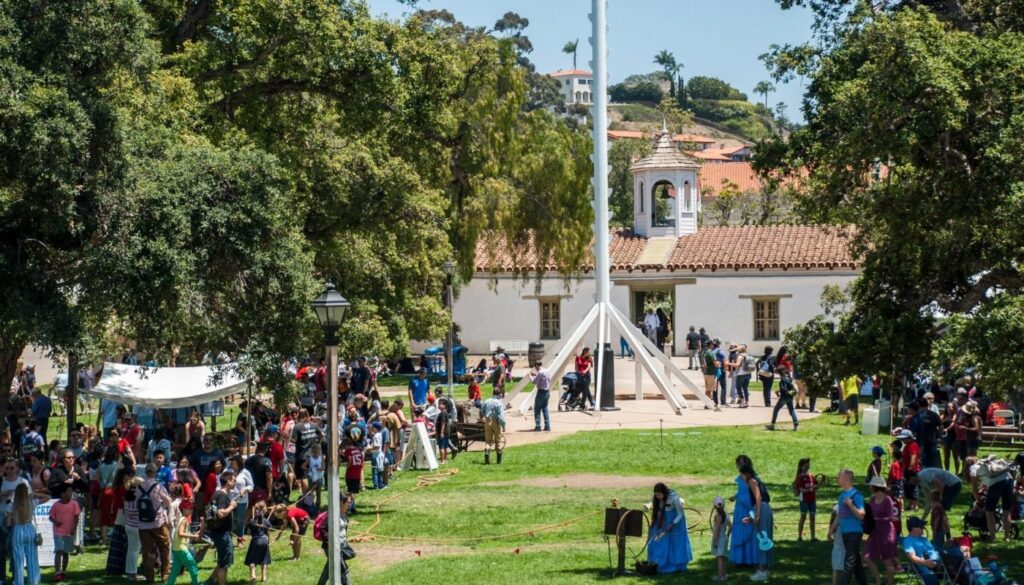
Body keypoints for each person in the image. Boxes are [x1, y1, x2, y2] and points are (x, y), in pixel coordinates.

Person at [645, 483, 692, 573]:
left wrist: (671, 525)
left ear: (664, 492)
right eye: (656, 495)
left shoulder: (674, 498)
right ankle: (656, 562)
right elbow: (653, 503)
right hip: (661, 519)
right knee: (657, 540)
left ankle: (674, 564)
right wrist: (649, 505)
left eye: (659, 495)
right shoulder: (656, 496)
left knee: (673, 543)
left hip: (674, 521)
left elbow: (680, 514)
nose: (658, 497)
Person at [967, 455, 1015, 542]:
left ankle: (993, 537)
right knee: (1006, 510)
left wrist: (978, 500)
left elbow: (974, 488)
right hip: (1009, 480)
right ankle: (1007, 537)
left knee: (989, 511)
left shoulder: (973, 468)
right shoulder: (987, 462)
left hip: (996, 484)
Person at [138, 462, 173, 583]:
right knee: (164, 548)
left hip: (142, 524)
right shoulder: (158, 486)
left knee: (147, 551)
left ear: (145, 472)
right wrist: (168, 516)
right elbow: (168, 502)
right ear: (154, 473)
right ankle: (165, 574)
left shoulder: (139, 486)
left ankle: (149, 576)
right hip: (158, 522)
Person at [864, 476, 898, 585]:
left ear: (876, 487)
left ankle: (890, 582)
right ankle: (878, 580)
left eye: (871, 485)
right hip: (875, 531)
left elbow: (891, 517)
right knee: (867, 557)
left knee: (887, 559)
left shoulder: (887, 499)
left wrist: (877, 519)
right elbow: (869, 514)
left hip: (887, 531)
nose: (870, 487)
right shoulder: (872, 499)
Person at [835, 469, 867, 585]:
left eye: (839, 476)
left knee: (849, 562)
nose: (837, 478)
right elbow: (839, 514)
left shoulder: (856, 495)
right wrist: (832, 529)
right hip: (845, 532)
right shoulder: (842, 495)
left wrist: (850, 505)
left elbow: (862, 515)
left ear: (846, 479)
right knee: (856, 563)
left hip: (854, 532)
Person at [207, 470, 237, 585]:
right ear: (228, 481)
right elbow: (220, 513)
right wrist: (231, 507)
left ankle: (210, 581)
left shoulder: (216, 494)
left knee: (222, 560)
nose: (235, 482)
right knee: (224, 563)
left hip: (217, 531)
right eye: (234, 480)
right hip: (222, 533)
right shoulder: (223, 496)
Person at [314, 495, 352, 585]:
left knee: (329, 568)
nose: (350, 504)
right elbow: (322, 528)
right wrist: (330, 543)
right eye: (348, 502)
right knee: (343, 568)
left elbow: (343, 530)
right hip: (331, 546)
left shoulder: (345, 514)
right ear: (342, 503)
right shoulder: (333, 515)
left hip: (341, 545)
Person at [8, 484, 38, 585]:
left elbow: (8, 524)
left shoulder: (11, 505)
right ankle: (33, 581)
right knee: (32, 559)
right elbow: (48, 497)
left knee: (18, 561)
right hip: (29, 529)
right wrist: (35, 494)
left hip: (17, 530)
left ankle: (19, 582)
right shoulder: (31, 503)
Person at [49, 483, 80, 582]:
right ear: (62, 494)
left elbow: (77, 517)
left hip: (69, 532)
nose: (71, 493)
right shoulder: (56, 505)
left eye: (71, 491)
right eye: (69, 491)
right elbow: (50, 517)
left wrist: (74, 528)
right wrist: (55, 521)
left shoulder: (74, 504)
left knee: (66, 552)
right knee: (59, 551)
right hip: (58, 532)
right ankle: (57, 572)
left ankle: (63, 571)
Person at [167, 499, 200, 585]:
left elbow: (182, 533)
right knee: (193, 566)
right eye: (190, 508)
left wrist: (192, 534)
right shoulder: (184, 520)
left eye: (192, 508)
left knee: (175, 571)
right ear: (184, 509)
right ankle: (196, 583)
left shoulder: (180, 518)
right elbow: (181, 533)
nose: (192, 510)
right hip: (181, 549)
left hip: (175, 548)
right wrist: (194, 536)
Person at [902, 516, 942, 585]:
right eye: (921, 527)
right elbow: (912, 557)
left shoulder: (924, 539)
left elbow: (933, 550)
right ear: (914, 528)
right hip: (927, 567)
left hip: (940, 562)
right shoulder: (908, 541)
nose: (923, 528)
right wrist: (924, 562)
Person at [229, 455, 253, 547]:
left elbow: (251, 486)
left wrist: (245, 489)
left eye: (233, 461)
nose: (231, 463)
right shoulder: (228, 471)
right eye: (231, 461)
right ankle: (229, 540)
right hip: (229, 499)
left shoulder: (245, 472)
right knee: (230, 520)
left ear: (238, 462)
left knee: (239, 520)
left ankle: (240, 539)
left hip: (241, 500)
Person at [765, 365, 799, 431]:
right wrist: (778, 391)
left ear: (780, 372)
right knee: (791, 410)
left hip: (784, 397)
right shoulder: (789, 377)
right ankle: (796, 424)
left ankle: (772, 425)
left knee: (776, 409)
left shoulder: (783, 379)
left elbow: (784, 390)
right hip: (790, 397)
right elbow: (789, 387)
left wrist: (779, 392)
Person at [245, 502, 272, 582]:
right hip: (264, 541)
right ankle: (264, 578)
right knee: (264, 560)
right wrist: (269, 541)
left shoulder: (252, 521)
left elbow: (249, 533)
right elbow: (268, 533)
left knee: (252, 560)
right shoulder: (266, 521)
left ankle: (253, 574)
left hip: (256, 541)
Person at [793, 458, 817, 541]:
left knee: (812, 518)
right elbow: (801, 489)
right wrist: (810, 489)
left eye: (808, 465)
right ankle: (799, 536)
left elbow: (816, 486)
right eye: (805, 465)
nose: (807, 467)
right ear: (801, 467)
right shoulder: (800, 478)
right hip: (804, 501)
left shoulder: (811, 476)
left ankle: (813, 537)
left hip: (812, 500)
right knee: (803, 517)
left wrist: (820, 484)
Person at [481, 389, 506, 465]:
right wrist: (503, 425)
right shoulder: (499, 403)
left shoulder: (486, 401)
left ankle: (487, 454)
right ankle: (498, 461)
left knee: (488, 441)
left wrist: (485, 417)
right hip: (496, 422)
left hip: (488, 421)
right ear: (499, 394)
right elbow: (500, 416)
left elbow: (482, 411)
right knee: (497, 442)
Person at [899, 429, 922, 510]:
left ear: (909, 438)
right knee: (907, 487)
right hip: (906, 469)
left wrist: (910, 468)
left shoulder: (913, 445)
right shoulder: (906, 446)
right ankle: (910, 504)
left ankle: (915, 505)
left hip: (913, 470)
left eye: (904, 439)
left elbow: (914, 457)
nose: (903, 440)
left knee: (913, 487)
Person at [710, 496, 731, 582]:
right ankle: (724, 575)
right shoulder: (726, 513)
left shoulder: (718, 516)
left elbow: (717, 530)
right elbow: (731, 526)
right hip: (724, 537)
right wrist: (727, 535)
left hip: (719, 539)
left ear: (714, 506)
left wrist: (715, 541)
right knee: (723, 558)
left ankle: (720, 576)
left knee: (719, 558)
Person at [528, 361, 552, 432]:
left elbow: (534, 382)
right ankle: (547, 426)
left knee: (537, 409)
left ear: (536, 366)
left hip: (541, 392)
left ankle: (538, 427)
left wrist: (529, 376)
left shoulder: (540, 372)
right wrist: (535, 375)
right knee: (545, 409)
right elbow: (542, 379)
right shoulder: (547, 371)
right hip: (547, 391)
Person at [702, 340, 722, 408]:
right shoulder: (711, 353)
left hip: (705, 372)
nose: (713, 346)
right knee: (710, 390)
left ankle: (706, 403)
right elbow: (715, 363)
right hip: (711, 373)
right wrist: (719, 364)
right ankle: (708, 404)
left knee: (707, 389)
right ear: (710, 345)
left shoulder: (703, 352)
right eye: (712, 344)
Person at [435, 398, 452, 464]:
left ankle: (442, 460)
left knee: (441, 446)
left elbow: (443, 423)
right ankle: (445, 459)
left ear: (444, 405)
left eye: (440, 404)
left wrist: (441, 432)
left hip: (443, 432)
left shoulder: (442, 413)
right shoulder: (446, 412)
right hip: (447, 431)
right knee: (445, 446)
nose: (439, 405)